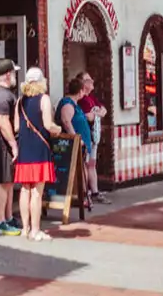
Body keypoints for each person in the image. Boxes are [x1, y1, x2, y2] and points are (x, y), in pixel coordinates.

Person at [13, 67, 62, 241]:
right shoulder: (44, 99)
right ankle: (35, 230)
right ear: (42, 81)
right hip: (40, 149)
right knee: (37, 192)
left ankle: (25, 229)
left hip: (25, 149)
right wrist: (59, 128)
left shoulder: (20, 101)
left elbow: (17, 127)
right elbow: (48, 125)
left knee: (25, 190)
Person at [0, 59, 21, 236]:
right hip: (3, 144)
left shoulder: (4, 93)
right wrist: (13, 144)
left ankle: (8, 218)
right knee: (3, 181)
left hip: (5, 144)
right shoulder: (1, 96)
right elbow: (2, 122)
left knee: (9, 181)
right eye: (14, 73)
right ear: (8, 74)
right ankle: (0, 221)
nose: (15, 76)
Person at [56, 77, 96, 212]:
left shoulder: (74, 104)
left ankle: (82, 196)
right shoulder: (68, 103)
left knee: (83, 168)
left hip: (83, 144)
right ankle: (80, 196)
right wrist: (76, 139)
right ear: (79, 91)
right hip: (74, 145)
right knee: (78, 170)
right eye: (83, 90)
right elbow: (66, 122)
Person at [77, 73, 111, 204]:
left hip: (94, 136)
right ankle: (85, 193)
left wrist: (96, 112)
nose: (92, 82)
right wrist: (96, 113)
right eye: (88, 80)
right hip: (86, 135)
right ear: (82, 83)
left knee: (92, 163)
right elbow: (88, 116)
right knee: (86, 164)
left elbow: (103, 110)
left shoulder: (91, 98)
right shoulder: (81, 99)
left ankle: (95, 191)